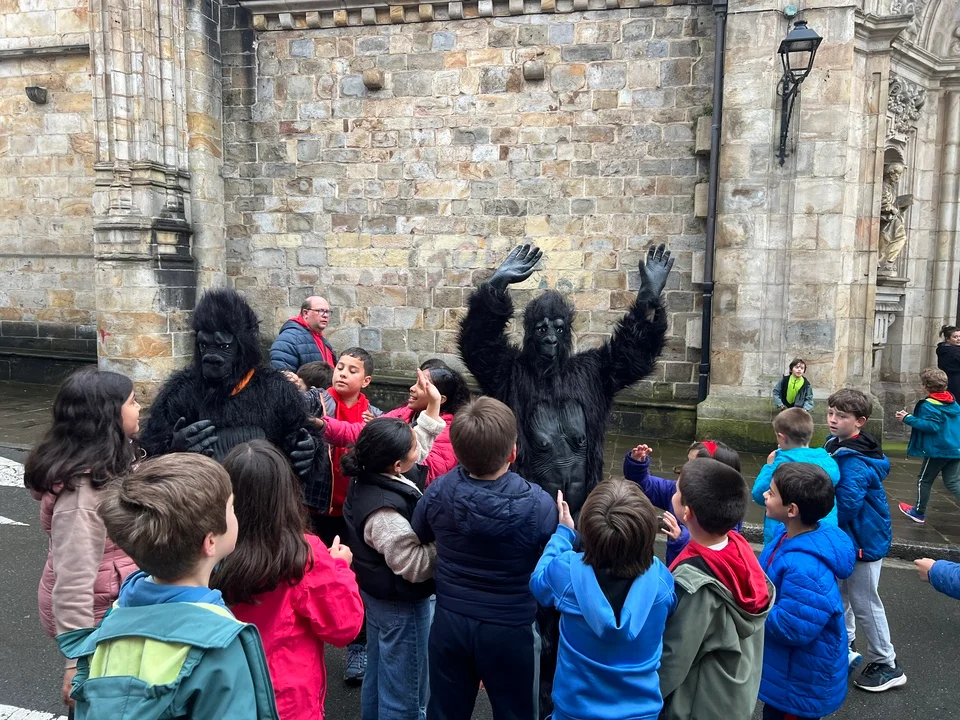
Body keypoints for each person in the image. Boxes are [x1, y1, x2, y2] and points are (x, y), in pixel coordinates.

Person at [57, 454, 279, 720]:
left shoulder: (113, 620)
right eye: (231, 507)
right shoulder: (220, 644)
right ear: (210, 542)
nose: (235, 513)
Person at [412, 397, 558, 720]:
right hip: (512, 628)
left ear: (457, 452)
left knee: (445, 712)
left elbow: (419, 531)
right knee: (517, 712)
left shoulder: (439, 491)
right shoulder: (539, 504)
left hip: (451, 622)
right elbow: (552, 560)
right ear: (513, 452)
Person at [212, 440, 365, 720]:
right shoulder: (303, 554)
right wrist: (340, 566)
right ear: (286, 491)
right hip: (286, 698)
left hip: (225, 691)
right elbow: (344, 627)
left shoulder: (210, 550)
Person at [23, 368, 141, 715]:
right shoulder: (83, 496)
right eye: (132, 402)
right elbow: (73, 578)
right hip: (96, 618)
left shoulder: (110, 462)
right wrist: (76, 661)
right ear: (108, 417)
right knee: (97, 699)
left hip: (112, 605)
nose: (139, 408)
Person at [529, 480, 675, 720]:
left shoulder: (567, 574)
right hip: (641, 714)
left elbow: (538, 582)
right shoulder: (661, 581)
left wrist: (564, 533)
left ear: (588, 532)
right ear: (648, 533)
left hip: (574, 712)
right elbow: (671, 610)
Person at [658, 458, 774, 720]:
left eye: (677, 490)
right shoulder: (738, 547)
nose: (673, 493)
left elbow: (675, 657)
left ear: (687, 513)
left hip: (700, 705)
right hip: (732, 694)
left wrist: (645, 697)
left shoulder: (694, 584)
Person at [341, 418, 439, 720]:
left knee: (381, 673)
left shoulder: (370, 474)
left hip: (380, 595)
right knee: (405, 694)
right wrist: (448, 540)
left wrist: (431, 412)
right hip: (401, 605)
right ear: (397, 465)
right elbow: (414, 565)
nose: (419, 449)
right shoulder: (384, 512)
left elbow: (417, 448)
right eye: (413, 446)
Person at [758, 463, 856, 720]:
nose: (765, 495)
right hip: (789, 669)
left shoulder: (805, 568)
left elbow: (792, 627)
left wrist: (751, 606)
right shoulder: (787, 533)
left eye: (771, 492)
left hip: (799, 682)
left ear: (791, 510)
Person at [825, 388, 905, 691]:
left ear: (860, 421)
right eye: (831, 413)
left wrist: (815, 515)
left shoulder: (855, 460)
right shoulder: (836, 444)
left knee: (865, 602)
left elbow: (846, 505)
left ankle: (887, 662)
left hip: (863, 540)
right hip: (849, 538)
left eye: (841, 416)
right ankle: (845, 646)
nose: (833, 420)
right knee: (843, 595)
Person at [322, 362, 471, 485]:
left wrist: (387, 446)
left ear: (440, 399)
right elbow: (361, 432)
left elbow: (426, 473)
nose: (412, 388)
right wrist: (322, 425)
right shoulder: (404, 412)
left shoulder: (450, 432)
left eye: (421, 386)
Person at [622, 439, 742, 565]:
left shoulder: (725, 513)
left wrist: (683, 539)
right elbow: (646, 485)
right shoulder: (678, 490)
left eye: (692, 464)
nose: (685, 468)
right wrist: (638, 466)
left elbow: (721, 554)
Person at [751, 408, 840, 544]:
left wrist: (769, 465)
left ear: (782, 437)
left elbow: (759, 495)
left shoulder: (780, 463)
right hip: (823, 531)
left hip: (786, 533)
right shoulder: (827, 461)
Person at [897, 367, 960, 524]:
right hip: (955, 448)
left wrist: (907, 418)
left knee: (924, 480)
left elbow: (932, 426)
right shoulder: (952, 402)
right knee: (953, 482)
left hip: (938, 450)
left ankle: (918, 512)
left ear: (925, 386)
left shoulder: (929, 405)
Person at [271, 296, 337, 371]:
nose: (325, 315)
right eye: (320, 311)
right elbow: (283, 375)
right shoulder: (288, 339)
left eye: (327, 312)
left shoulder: (322, 341)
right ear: (305, 313)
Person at [936, 325, 960, 399]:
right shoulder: (950, 351)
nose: (958, 339)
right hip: (954, 382)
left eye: (959, 336)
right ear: (948, 339)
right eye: (955, 337)